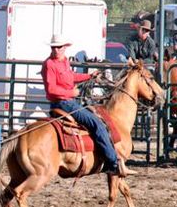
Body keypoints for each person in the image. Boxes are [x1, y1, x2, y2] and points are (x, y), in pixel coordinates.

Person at [42, 34, 133, 177]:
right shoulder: (49, 64)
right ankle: (113, 163)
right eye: (53, 47)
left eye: (58, 47)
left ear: (65, 47)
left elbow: (71, 76)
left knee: (95, 117)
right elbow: (51, 89)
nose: (55, 50)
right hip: (63, 103)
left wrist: (89, 76)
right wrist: (71, 92)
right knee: (96, 123)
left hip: (69, 101)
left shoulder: (64, 61)